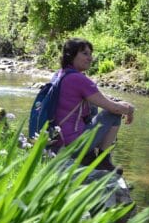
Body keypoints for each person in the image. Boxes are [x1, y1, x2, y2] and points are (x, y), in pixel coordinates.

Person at [52, 37, 135, 175]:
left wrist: (119, 104)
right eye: (84, 53)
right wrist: (129, 110)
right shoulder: (79, 79)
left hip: (56, 142)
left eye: (90, 54)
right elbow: (113, 108)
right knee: (113, 115)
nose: (90, 58)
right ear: (71, 55)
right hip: (72, 145)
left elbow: (100, 99)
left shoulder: (60, 75)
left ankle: (89, 157)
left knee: (92, 108)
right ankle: (102, 161)